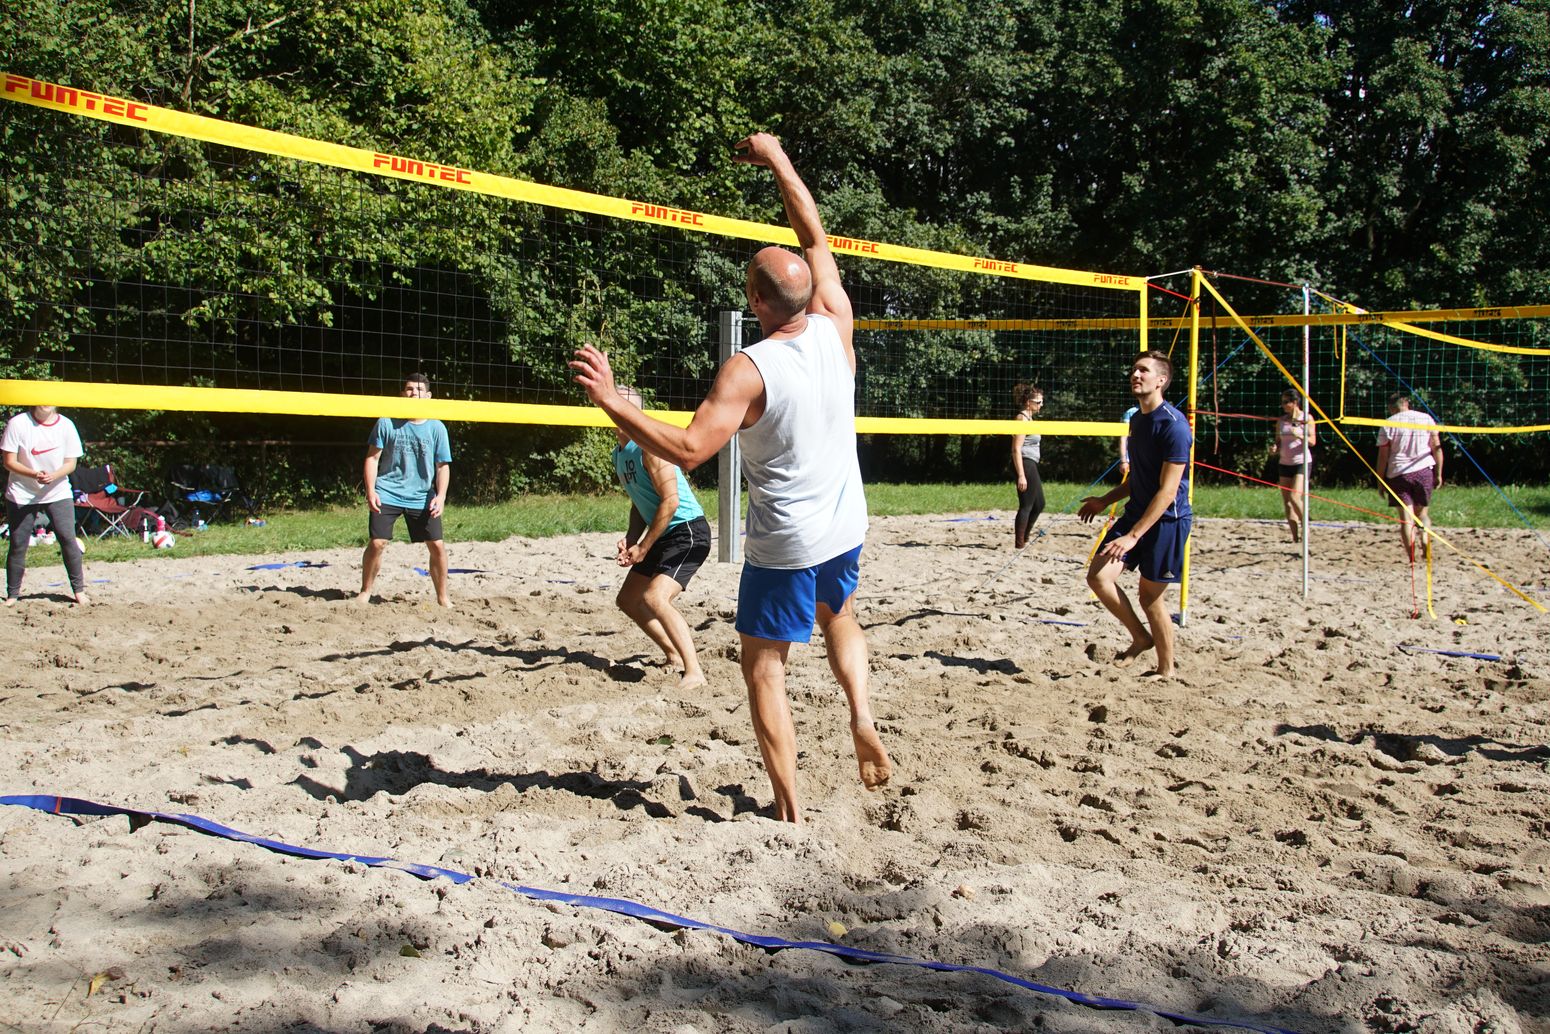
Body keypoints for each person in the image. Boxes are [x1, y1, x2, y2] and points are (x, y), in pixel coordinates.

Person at [570, 131, 891, 823]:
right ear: (807, 290)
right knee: (840, 615)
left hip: (788, 542)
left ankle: (789, 810)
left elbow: (688, 450)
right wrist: (778, 158)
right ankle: (861, 712)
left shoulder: (749, 369)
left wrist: (613, 402)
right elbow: (813, 232)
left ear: (754, 299)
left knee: (764, 667)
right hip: (846, 524)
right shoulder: (836, 322)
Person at [1077, 352, 1192, 677]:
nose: (1136, 375)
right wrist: (1104, 500)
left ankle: (1166, 670)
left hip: (1167, 521)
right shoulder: (1138, 420)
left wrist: (1132, 536)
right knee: (1099, 577)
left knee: (1150, 598)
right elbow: (1138, 478)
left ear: (1161, 380)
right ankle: (1141, 638)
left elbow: (1167, 492)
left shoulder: (1174, 426)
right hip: (1137, 514)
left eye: (1144, 370)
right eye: (1134, 370)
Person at [611, 386, 711, 691]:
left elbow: (671, 501)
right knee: (628, 599)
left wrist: (644, 546)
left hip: (687, 531)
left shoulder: (649, 447)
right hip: (662, 531)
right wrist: (632, 539)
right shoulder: (619, 453)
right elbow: (639, 501)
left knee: (655, 598)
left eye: (619, 404)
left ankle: (694, 671)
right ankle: (673, 655)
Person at [357, 373, 452, 607]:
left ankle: (443, 597)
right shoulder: (386, 422)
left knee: (437, 546)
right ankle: (365, 591)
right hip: (388, 491)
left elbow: (442, 466)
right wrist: (371, 491)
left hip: (421, 495)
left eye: (418, 390)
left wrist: (441, 496)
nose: (413, 393)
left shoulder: (437, 427)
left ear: (428, 396)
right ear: (402, 394)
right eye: (409, 389)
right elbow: (372, 458)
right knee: (377, 543)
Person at [3, 404, 89, 606]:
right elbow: (9, 461)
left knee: (68, 538)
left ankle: (79, 591)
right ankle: (12, 595)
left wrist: (54, 475)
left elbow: (71, 463)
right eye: (41, 398)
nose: (46, 402)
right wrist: (34, 474)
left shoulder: (66, 425)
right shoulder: (18, 423)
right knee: (18, 543)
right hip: (22, 493)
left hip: (57, 490)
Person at [1376, 392, 1443, 562]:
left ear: (1390, 407)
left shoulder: (1388, 424)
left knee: (1406, 520)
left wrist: (1380, 481)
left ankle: (1412, 559)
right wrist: (1438, 473)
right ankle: (1425, 537)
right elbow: (1437, 448)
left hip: (1398, 474)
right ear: (1407, 403)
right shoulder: (1425, 418)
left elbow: (1383, 457)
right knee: (1422, 515)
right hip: (1423, 471)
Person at [1273, 389, 1316, 542]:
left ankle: (1306, 526)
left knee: (1294, 497)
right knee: (1287, 503)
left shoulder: (1306, 418)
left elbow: (1312, 442)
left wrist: (1300, 435)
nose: (1283, 405)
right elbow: (1278, 441)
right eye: (1282, 402)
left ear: (1295, 402)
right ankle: (1295, 538)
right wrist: (1275, 448)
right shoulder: (1281, 421)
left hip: (1301, 462)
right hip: (1284, 462)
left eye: (1286, 402)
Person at [1010, 384, 1046, 549]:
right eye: (1038, 402)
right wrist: (1021, 475)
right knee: (1027, 505)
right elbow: (1016, 449)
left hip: (1031, 463)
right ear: (1027, 402)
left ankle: (1024, 538)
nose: (1041, 405)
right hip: (1025, 463)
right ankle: (1020, 544)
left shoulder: (1030, 419)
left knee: (1039, 504)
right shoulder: (1022, 418)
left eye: (1041, 402)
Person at [1118, 403, 1138, 480]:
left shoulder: (1161, 412)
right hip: (1133, 460)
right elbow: (1123, 438)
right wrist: (1124, 461)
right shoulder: (1130, 412)